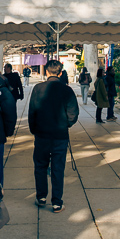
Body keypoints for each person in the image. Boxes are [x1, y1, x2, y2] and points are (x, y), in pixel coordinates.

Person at [27, 59, 78, 212]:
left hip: (42, 134)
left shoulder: (38, 88)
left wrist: (34, 129)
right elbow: (73, 113)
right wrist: (65, 124)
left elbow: (32, 111)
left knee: (40, 166)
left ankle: (41, 197)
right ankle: (57, 202)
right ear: (60, 73)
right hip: (60, 135)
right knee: (58, 168)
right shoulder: (67, 90)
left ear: (46, 71)